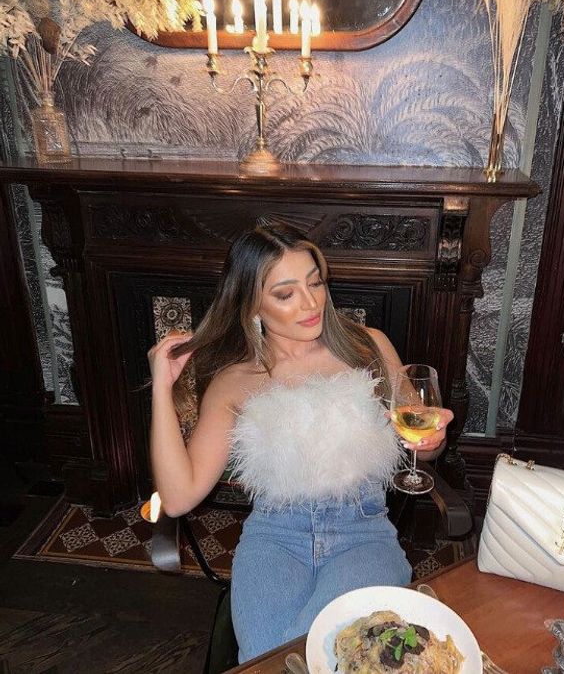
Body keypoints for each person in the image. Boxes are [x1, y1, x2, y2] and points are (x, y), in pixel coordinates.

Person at [146, 219, 451, 662]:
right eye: (285, 293)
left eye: (316, 283)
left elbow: (421, 440)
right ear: (252, 303)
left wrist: (431, 440)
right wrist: (160, 388)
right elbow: (176, 499)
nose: (311, 304)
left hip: (362, 533)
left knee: (335, 656)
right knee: (272, 657)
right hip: (275, 538)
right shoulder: (235, 382)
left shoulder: (368, 347)